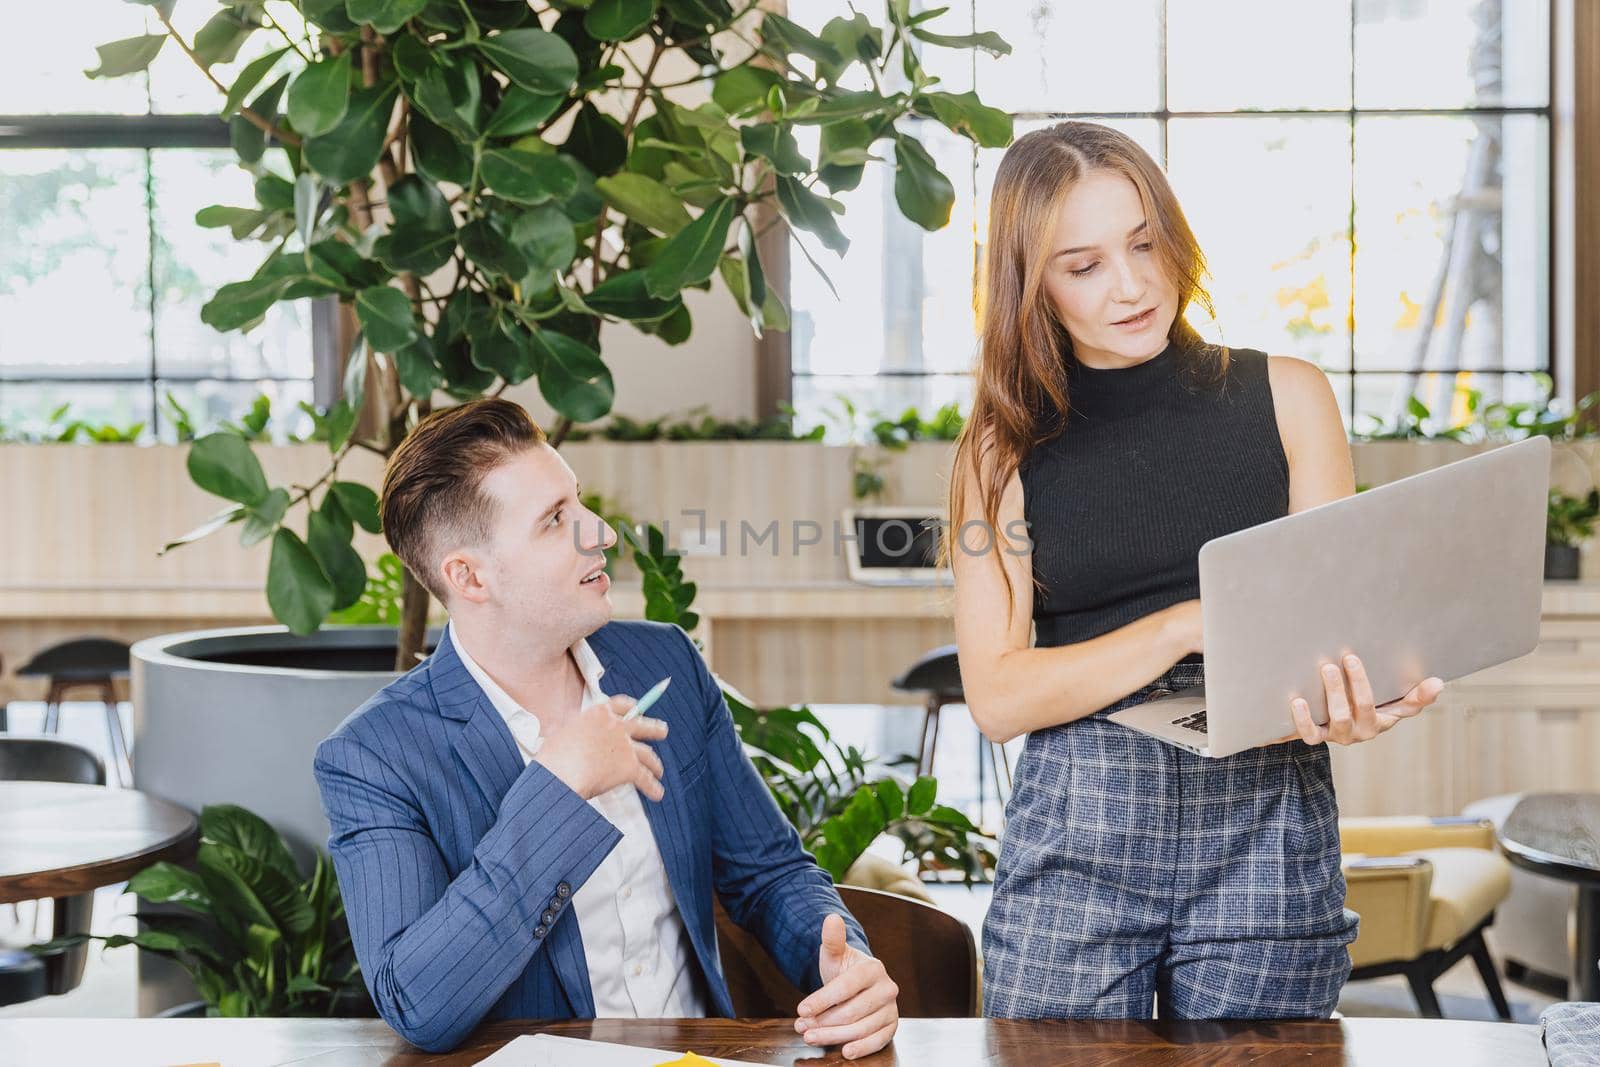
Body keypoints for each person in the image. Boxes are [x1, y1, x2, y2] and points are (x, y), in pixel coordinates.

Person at [945, 121, 1446, 1020]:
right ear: (1033, 285)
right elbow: (998, 697)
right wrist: (1183, 622)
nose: (1132, 285)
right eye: (1083, 264)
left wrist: (1357, 702)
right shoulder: (999, 452)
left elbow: (1327, 640)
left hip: (1265, 823)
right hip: (1077, 837)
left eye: (1144, 244)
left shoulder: (1290, 397)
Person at [313, 399, 899, 1055]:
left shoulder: (665, 662)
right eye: (555, 520)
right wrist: (558, 788)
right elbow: (419, 1004)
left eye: (579, 502)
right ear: (469, 576)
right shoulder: (375, 755)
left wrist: (841, 962)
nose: (601, 533)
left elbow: (769, 875)